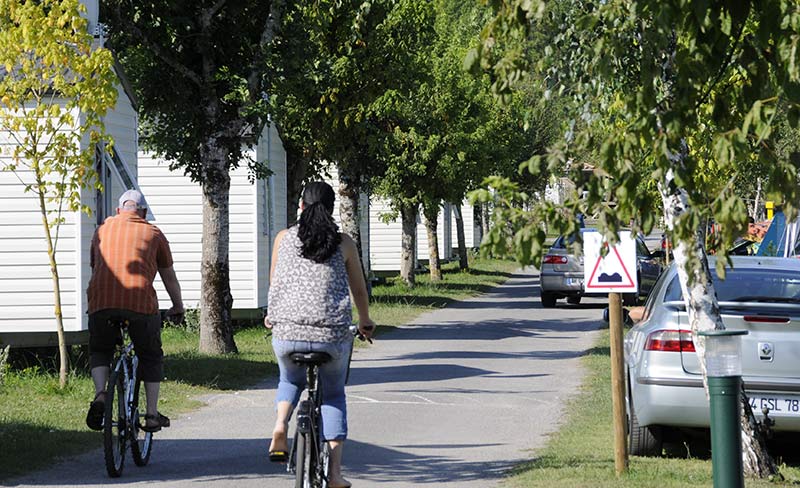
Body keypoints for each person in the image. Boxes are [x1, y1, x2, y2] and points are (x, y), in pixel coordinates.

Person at [265, 181, 375, 488]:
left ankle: (279, 427)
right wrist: (365, 320)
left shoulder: (283, 238)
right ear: (331, 210)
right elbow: (358, 289)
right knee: (334, 394)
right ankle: (336, 475)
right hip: (332, 335)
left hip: (287, 331)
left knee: (289, 380)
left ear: (301, 207)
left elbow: (276, 283)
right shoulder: (344, 243)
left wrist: (272, 315)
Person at [85, 189, 184, 433]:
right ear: (144, 213)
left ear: (119, 210)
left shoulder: (100, 231)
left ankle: (100, 394)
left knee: (100, 349)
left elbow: (96, 267)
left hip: (100, 303)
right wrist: (178, 306)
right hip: (140, 303)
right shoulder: (153, 233)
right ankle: (151, 415)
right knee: (150, 355)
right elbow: (168, 277)